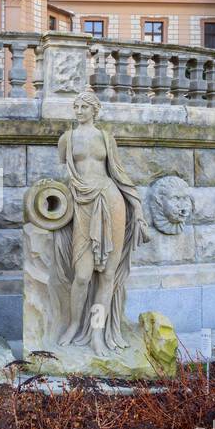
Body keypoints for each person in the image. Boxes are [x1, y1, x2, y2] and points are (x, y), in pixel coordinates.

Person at [56, 91, 150, 356]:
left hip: (111, 200)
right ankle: (74, 325)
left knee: (107, 274)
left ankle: (97, 332)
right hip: (83, 203)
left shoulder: (106, 139)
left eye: (84, 106)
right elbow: (60, 173)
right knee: (83, 275)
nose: (78, 110)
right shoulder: (67, 138)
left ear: (95, 110)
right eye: (76, 106)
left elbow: (119, 173)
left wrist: (138, 209)